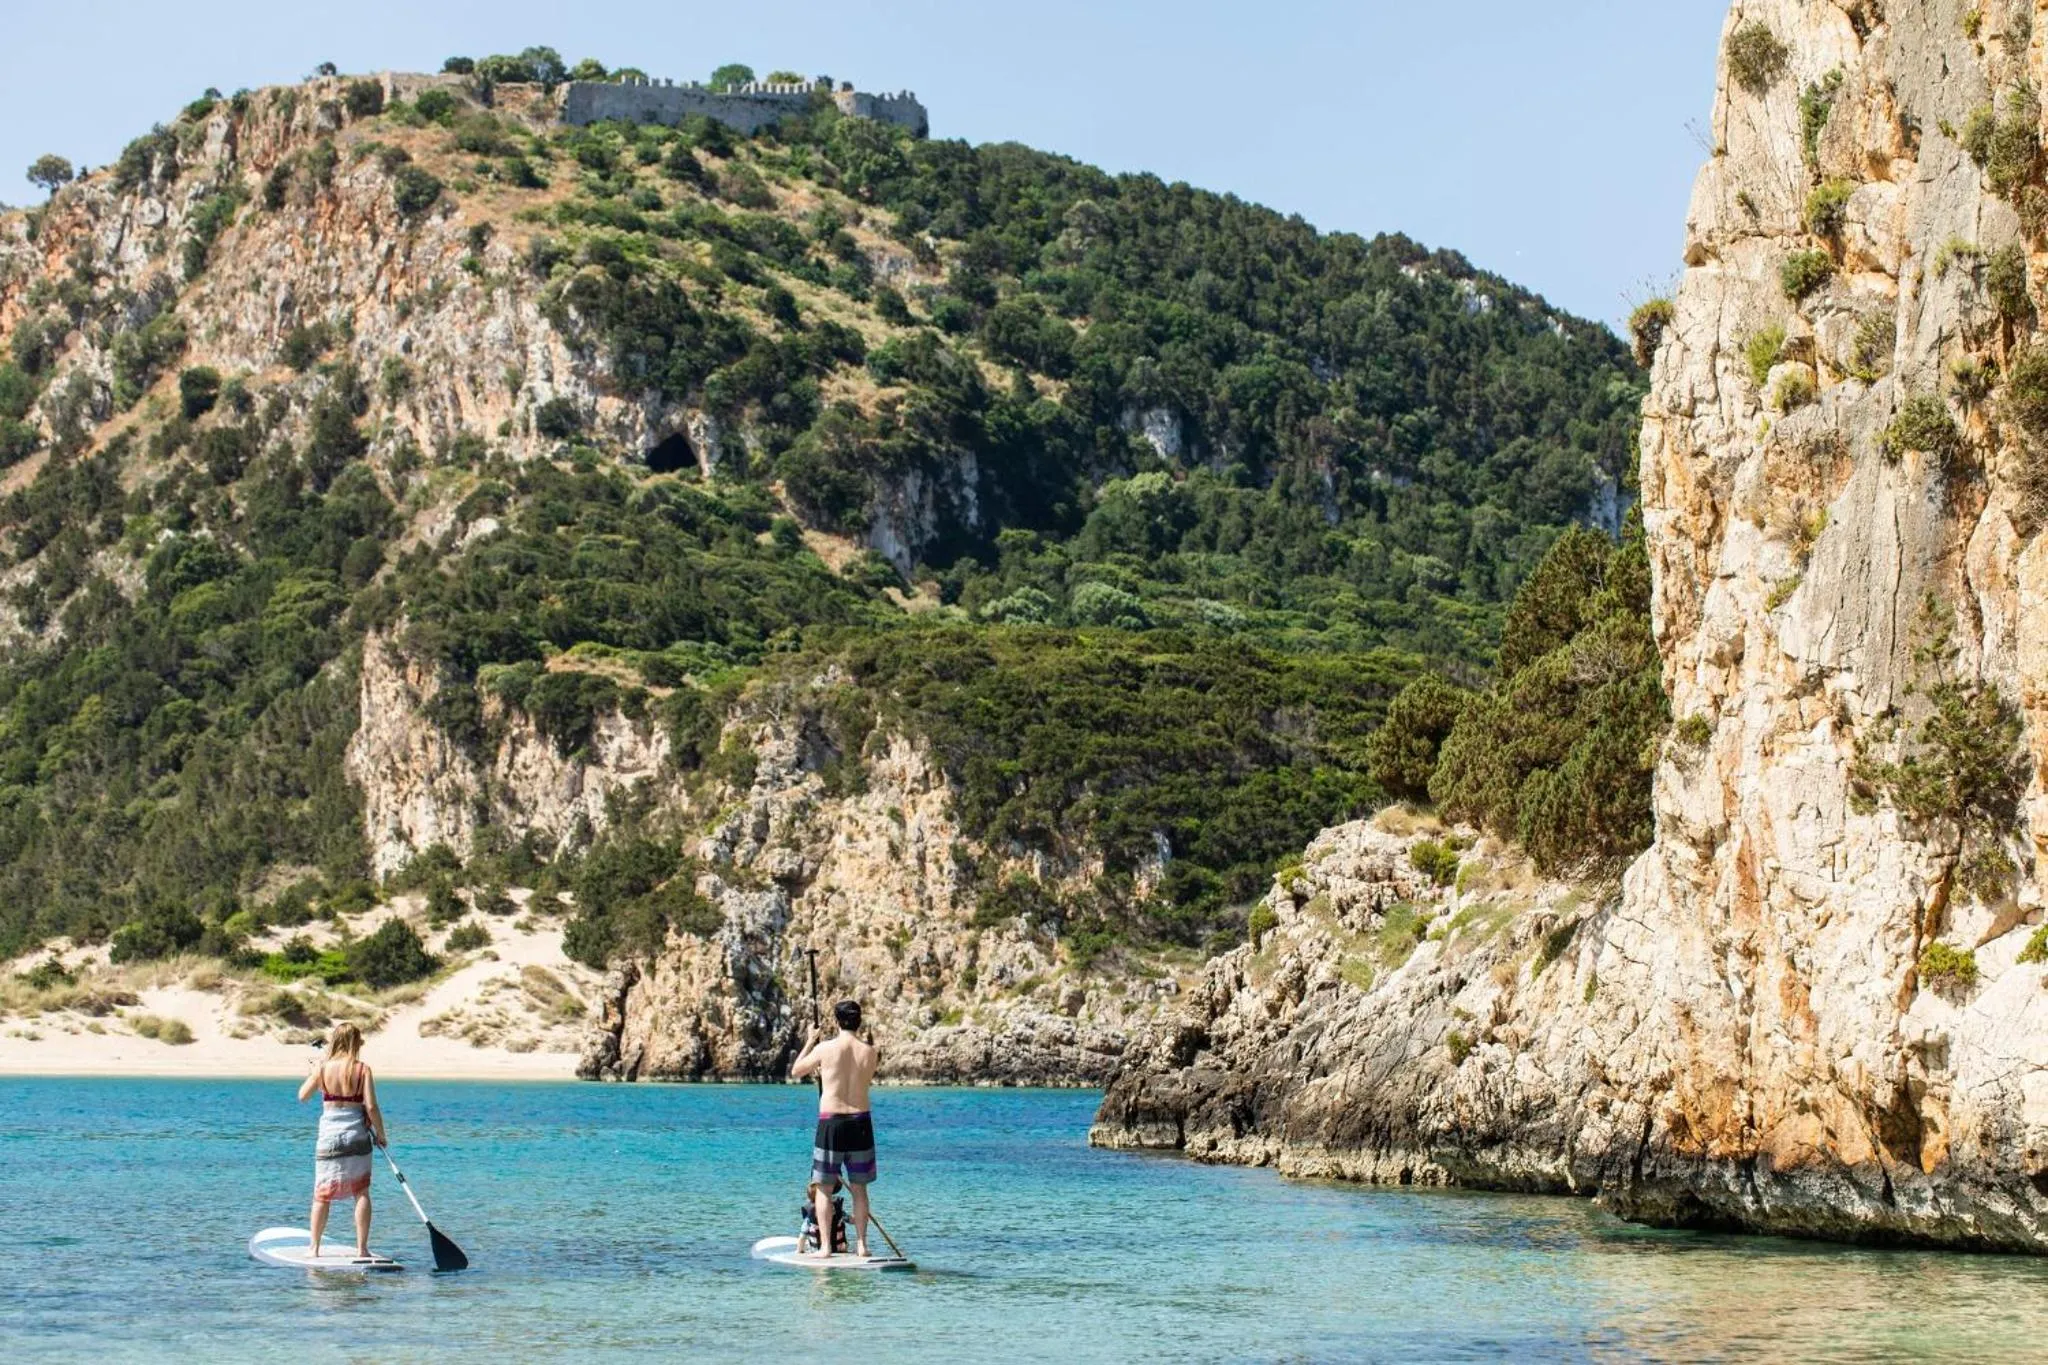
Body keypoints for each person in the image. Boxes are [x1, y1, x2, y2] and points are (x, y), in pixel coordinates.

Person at [791, 999, 879, 1256]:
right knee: (860, 1188)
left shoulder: (825, 1048)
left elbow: (797, 1070)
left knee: (824, 1187)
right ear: (859, 1021)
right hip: (861, 1122)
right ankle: (862, 1245)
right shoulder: (871, 1052)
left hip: (831, 1123)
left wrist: (810, 1040)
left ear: (837, 1021)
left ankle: (826, 1247)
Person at [295, 1021, 387, 1261]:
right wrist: (381, 1134)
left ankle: (314, 1248)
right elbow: (372, 1106)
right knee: (361, 1191)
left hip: (329, 1137)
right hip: (357, 1135)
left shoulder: (323, 1068)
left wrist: (314, 1072)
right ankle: (362, 1249)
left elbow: (302, 1096)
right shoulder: (363, 1069)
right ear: (355, 1043)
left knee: (321, 1195)